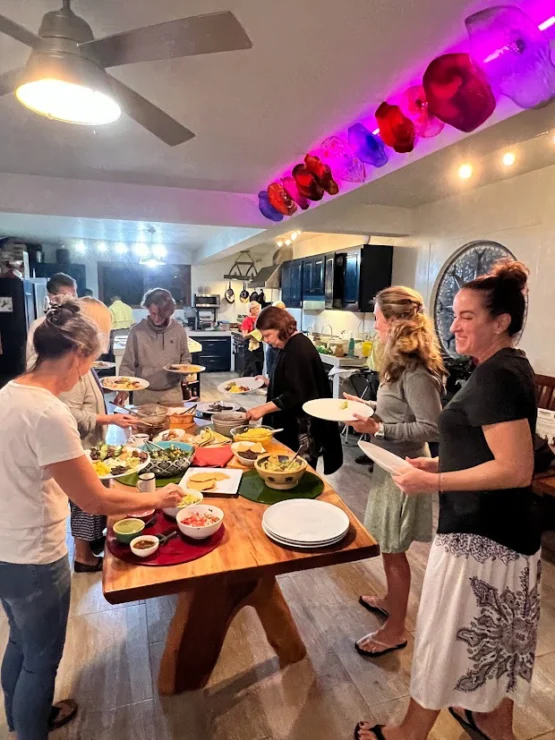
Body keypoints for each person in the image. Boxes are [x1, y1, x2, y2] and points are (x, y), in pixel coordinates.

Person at [355, 261, 539, 740]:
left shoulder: (499, 375)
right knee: (488, 645)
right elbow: (482, 450)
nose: (453, 325)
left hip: (483, 539)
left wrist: (432, 484)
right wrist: (434, 465)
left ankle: (409, 733)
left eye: (467, 316)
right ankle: (492, 725)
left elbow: (516, 469)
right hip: (497, 534)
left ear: (501, 322)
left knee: (443, 638)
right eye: (453, 314)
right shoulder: (501, 368)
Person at [0, 300, 182, 740]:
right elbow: (94, 499)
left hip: (5, 547)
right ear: (77, 354)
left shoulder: (9, 392)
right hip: (33, 556)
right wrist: (157, 498)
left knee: (21, 643)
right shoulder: (49, 413)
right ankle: (30, 728)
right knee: (43, 658)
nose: (87, 372)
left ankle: (20, 717)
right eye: (91, 361)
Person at [347, 286, 444, 658]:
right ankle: (391, 600)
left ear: (395, 321)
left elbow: (432, 428)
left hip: (405, 468)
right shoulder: (399, 362)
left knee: (394, 549)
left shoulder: (417, 369)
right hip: (387, 463)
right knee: (387, 544)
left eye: (377, 319)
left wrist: (379, 428)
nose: (375, 326)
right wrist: (367, 406)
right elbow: (396, 409)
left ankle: (396, 630)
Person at [59, 297, 135, 573]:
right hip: (78, 448)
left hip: (91, 444)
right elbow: (68, 413)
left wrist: (112, 408)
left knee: (91, 498)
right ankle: (83, 557)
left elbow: (88, 402)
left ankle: (91, 545)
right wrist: (109, 418)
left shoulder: (79, 357)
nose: (105, 338)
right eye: (103, 331)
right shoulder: (70, 363)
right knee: (84, 501)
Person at [246, 306, 342, 473]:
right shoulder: (291, 345)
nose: (266, 340)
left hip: (303, 429)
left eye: (267, 335)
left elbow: (296, 395)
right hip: (296, 424)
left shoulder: (297, 349)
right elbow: (295, 381)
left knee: (297, 472)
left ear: (280, 327)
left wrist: (262, 409)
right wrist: (269, 382)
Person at [115, 288, 190, 406]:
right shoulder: (137, 331)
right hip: (144, 394)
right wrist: (123, 390)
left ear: (169, 312)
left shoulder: (179, 331)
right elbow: (127, 364)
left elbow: (185, 358)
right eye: (153, 313)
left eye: (161, 315)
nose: (156, 319)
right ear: (148, 308)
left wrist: (184, 371)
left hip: (172, 393)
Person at [26, 272, 77, 368]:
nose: (72, 300)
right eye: (66, 295)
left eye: (74, 295)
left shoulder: (80, 323)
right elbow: (30, 361)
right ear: (52, 297)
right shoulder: (39, 325)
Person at [241, 301, 264, 377]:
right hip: (249, 346)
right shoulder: (246, 321)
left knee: (259, 365)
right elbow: (244, 335)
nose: (259, 310)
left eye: (259, 308)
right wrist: (253, 334)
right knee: (249, 367)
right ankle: (245, 384)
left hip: (258, 345)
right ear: (252, 310)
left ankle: (258, 384)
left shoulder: (260, 319)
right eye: (257, 309)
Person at [264, 300, 286, 378]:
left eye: (283, 309)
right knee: (273, 376)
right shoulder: (269, 322)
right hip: (273, 351)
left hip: (282, 352)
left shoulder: (286, 322)